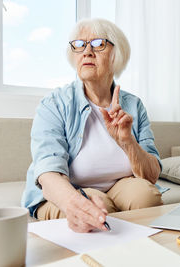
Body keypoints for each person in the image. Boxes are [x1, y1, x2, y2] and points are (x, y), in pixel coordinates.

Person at [21, 18, 163, 233]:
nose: (86, 51)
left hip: (119, 185)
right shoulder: (55, 103)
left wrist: (127, 141)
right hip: (68, 188)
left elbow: (151, 175)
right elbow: (48, 172)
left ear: (116, 54)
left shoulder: (133, 105)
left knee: (145, 195)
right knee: (97, 208)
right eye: (79, 45)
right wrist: (76, 204)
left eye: (98, 44)